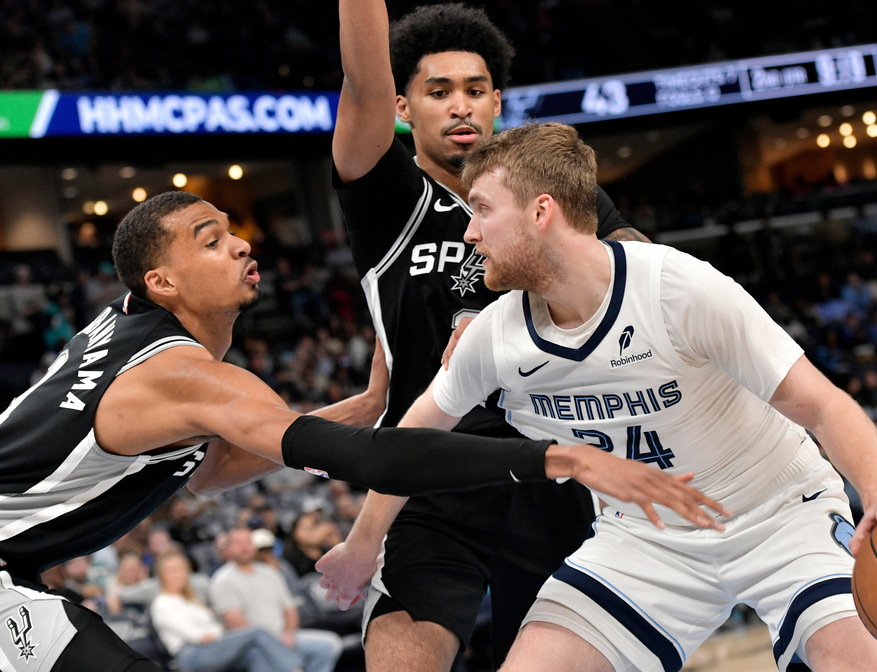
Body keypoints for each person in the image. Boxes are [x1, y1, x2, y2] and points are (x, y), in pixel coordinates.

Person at [319, 122, 877, 672]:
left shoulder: (679, 288)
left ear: (541, 212)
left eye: (483, 210)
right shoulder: (495, 336)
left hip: (779, 515)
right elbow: (409, 443)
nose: (469, 234)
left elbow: (824, 404)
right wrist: (362, 543)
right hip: (644, 542)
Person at [0, 190, 705, 672]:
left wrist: (367, 401)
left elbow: (206, 470)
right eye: (210, 241)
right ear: (163, 282)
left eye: (230, 228)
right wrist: (551, 456)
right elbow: (365, 460)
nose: (243, 243)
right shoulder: (184, 375)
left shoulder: (121, 322)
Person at [329, 0, 649, 668]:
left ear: (498, 103)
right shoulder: (389, 200)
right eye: (437, 90)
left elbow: (646, 279)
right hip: (432, 479)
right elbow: (361, 82)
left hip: (558, 469)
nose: (460, 104)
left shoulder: (553, 196)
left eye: (476, 89)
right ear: (402, 107)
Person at [211, 529, 342, 672]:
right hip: (254, 645)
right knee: (262, 656)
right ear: (228, 548)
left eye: (248, 542)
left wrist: (289, 633)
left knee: (330, 644)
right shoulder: (222, 580)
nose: (245, 547)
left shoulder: (270, 573)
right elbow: (236, 623)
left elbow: (289, 609)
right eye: (238, 543)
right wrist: (272, 643)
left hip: (284, 635)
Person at [151, 549, 303, 672]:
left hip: (213, 646)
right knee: (257, 632)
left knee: (254, 654)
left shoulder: (191, 600)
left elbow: (215, 627)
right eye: (171, 570)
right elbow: (198, 636)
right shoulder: (162, 603)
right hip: (192, 655)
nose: (177, 575)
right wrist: (213, 633)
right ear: (162, 575)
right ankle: (295, 669)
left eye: (180, 569)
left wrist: (214, 633)